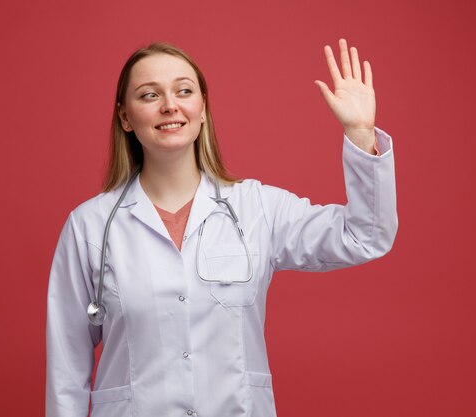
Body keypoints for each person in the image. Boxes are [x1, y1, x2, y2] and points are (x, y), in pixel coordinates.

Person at [46, 39, 397, 417]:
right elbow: (67, 369)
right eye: (149, 95)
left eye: (184, 91)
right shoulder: (90, 226)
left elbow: (365, 236)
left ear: (202, 110)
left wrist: (361, 133)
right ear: (125, 117)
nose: (170, 105)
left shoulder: (258, 207)